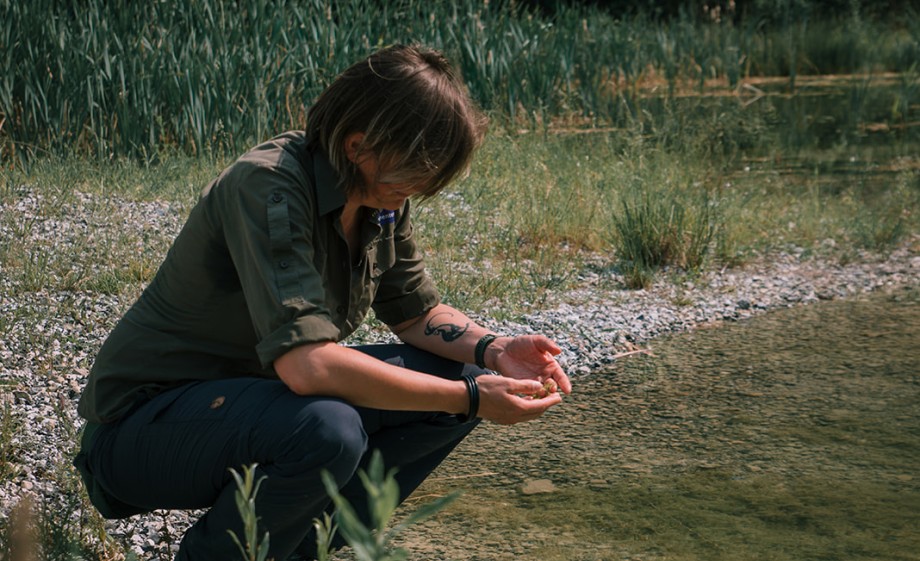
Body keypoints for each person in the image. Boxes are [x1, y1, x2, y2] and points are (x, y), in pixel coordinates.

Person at [73, 44, 571, 561]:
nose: (421, 189)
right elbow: (307, 367)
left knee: (455, 376)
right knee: (329, 431)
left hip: (254, 400)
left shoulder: (380, 198)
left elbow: (418, 314)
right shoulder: (268, 186)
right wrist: (471, 400)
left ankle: (295, 549)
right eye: (416, 171)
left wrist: (494, 351)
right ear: (358, 144)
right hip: (140, 431)